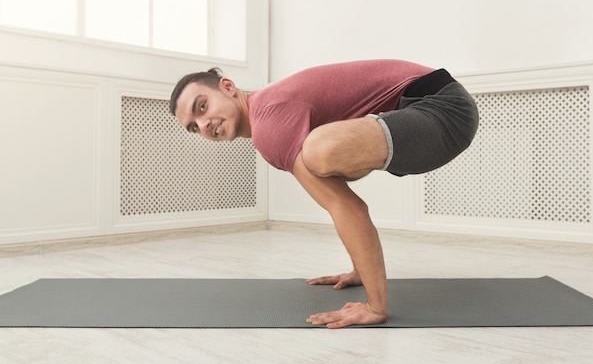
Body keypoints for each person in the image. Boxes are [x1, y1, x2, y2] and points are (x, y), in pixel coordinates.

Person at [169, 59, 479, 328]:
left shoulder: (268, 126)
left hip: (441, 109)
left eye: (202, 107)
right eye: (194, 127)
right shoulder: (269, 112)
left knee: (317, 154)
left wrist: (374, 307)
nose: (204, 124)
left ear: (227, 86)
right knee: (320, 158)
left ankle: (377, 306)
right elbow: (344, 198)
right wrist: (360, 270)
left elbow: (348, 207)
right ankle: (363, 269)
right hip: (427, 112)